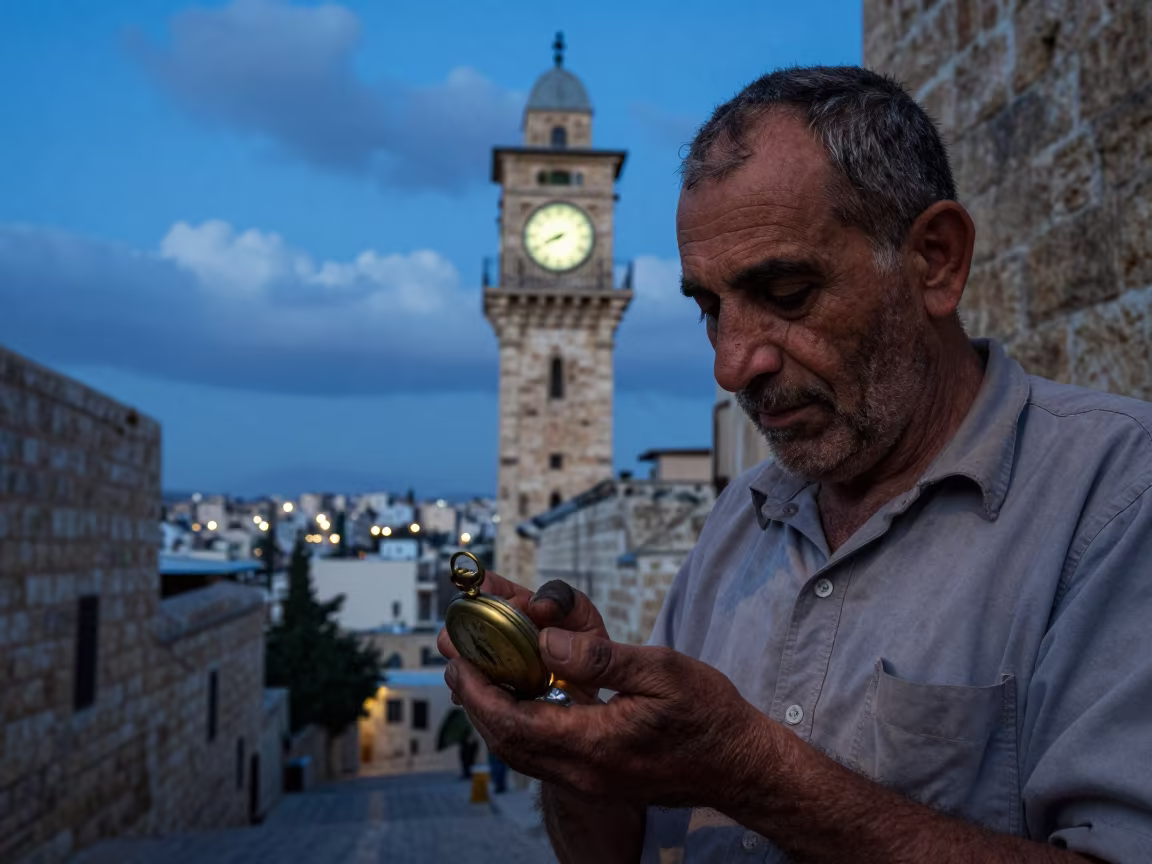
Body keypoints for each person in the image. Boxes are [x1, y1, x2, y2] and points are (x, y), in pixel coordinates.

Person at [439, 65, 1152, 863]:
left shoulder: (1117, 501)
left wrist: (747, 768)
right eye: (709, 309)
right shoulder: (741, 522)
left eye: (785, 292)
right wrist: (569, 733)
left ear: (936, 261)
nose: (733, 364)